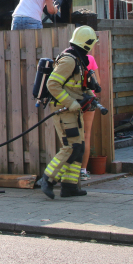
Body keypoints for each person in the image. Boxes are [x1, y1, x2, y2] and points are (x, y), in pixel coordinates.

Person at [36, 26, 98, 199]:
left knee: (79, 147)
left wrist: (90, 94)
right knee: (70, 147)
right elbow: (52, 84)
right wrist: (70, 102)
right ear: (87, 43)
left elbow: (75, 86)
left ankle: (69, 187)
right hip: (64, 110)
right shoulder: (69, 60)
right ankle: (47, 179)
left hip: (72, 110)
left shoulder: (78, 59)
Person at [80, 54, 101, 180]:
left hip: (71, 100)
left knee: (70, 136)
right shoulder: (90, 59)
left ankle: (70, 169)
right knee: (86, 135)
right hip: (88, 101)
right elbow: (97, 83)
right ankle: (83, 170)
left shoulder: (67, 58)